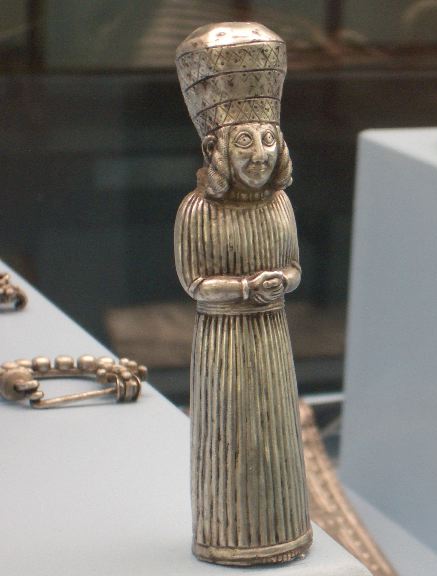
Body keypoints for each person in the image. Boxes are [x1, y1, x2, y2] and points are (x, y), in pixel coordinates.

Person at [175, 22, 312, 566]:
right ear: (216, 148)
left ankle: (285, 532)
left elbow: (295, 267)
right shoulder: (197, 210)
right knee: (229, 436)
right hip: (224, 343)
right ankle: (227, 536)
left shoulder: (280, 204)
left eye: (268, 139)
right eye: (244, 141)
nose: (259, 154)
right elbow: (195, 283)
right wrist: (247, 287)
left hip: (271, 336)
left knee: (276, 435)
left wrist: (282, 282)